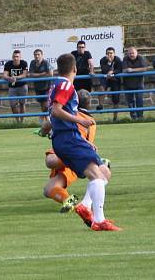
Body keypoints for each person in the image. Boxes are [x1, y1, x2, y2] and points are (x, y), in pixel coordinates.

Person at [48, 53, 119, 231]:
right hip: (69, 138)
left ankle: (87, 206)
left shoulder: (56, 84)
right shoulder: (65, 84)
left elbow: (51, 115)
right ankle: (99, 221)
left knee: (104, 172)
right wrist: (80, 120)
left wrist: (45, 130)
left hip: (68, 138)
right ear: (75, 69)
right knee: (97, 176)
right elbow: (56, 111)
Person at [39, 89, 111, 215]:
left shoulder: (67, 113)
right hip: (74, 154)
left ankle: (86, 204)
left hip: (70, 150)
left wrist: (46, 131)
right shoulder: (90, 122)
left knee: (50, 162)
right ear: (89, 104)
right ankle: (70, 200)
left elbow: (50, 124)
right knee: (48, 189)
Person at [122, 47, 150, 120]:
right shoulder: (125, 59)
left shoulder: (141, 58)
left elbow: (145, 68)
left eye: (133, 53)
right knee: (130, 102)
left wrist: (132, 70)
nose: (131, 55)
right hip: (127, 84)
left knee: (139, 100)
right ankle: (133, 117)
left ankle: (140, 116)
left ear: (136, 53)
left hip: (139, 83)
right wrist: (130, 70)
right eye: (130, 53)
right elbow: (124, 70)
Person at [3, 49, 28, 123]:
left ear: (20, 57)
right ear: (12, 57)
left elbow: (24, 74)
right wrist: (9, 78)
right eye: (14, 56)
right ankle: (17, 122)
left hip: (22, 86)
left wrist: (15, 78)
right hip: (12, 87)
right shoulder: (8, 64)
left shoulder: (24, 63)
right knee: (13, 105)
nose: (16, 58)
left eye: (17, 56)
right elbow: (4, 75)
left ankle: (22, 121)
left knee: (22, 104)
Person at [28, 49, 52, 123]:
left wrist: (37, 75)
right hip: (38, 87)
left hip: (47, 86)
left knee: (46, 105)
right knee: (42, 104)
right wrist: (42, 74)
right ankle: (46, 121)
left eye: (38, 54)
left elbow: (51, 74)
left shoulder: (46, 62)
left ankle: (47, 120)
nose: (37, 56)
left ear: (42, 55)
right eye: (35, 55)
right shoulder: (32, 63)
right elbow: (31, 74)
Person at [98, 47, 122, 121]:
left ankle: (115, 117)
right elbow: (104, 70)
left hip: (115, 80)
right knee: (101, 88)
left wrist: (112, 72)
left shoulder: (118, 60)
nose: (109, 55)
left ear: (114, 54)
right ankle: (101, 105)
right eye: (108, 53)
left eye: (111, 53)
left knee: (116, 98)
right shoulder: (102, 60)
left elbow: (120, 69)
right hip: (106, 78)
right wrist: (109, 64)